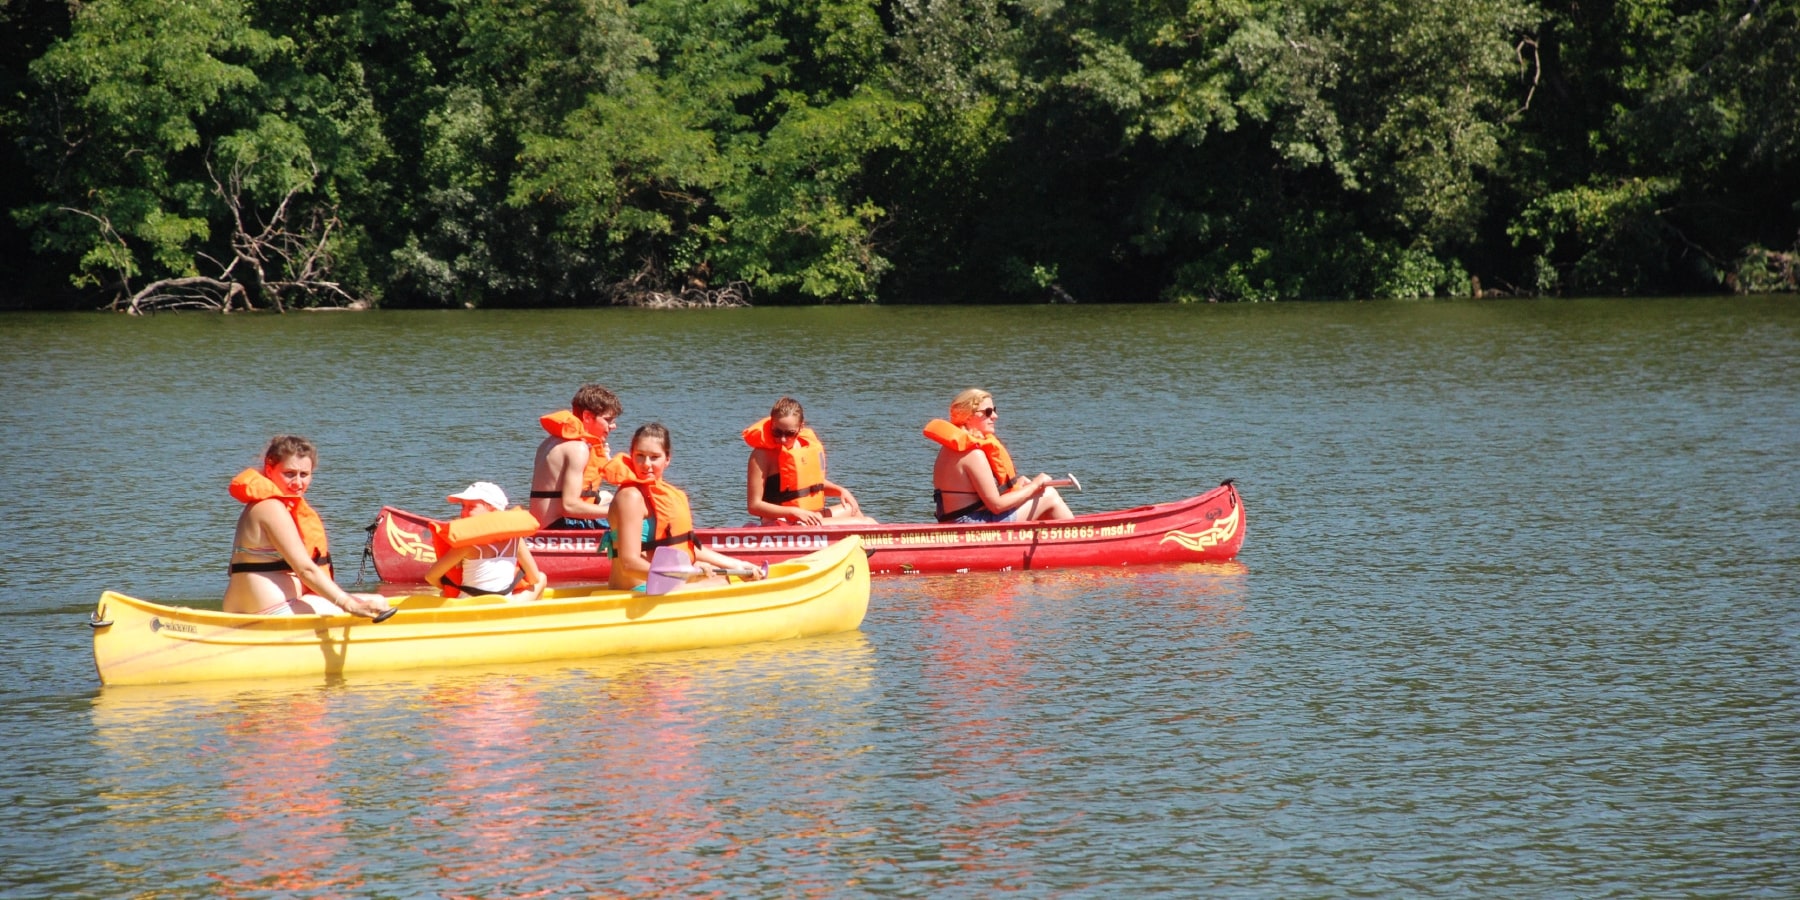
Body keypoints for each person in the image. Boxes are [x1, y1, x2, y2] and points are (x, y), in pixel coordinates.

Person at [224, 435, 395, 618]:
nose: (298, 483)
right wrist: (349, 605)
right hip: (271, 611)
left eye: (304, 475)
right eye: (289, 474)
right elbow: (306, 570)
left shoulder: (257, 507)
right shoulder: (272, 508)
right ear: (269, 468)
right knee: (378, 602)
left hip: (239, 610)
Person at [603, 423, 765, 591]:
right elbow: (629, 564)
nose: (646, 464)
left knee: (721, 576)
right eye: (640, 455)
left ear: (667, 459)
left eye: (654, 457)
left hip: (658, 587)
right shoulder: (630, 497)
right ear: (631, 455)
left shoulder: (660, 495)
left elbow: (682, 545)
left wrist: (738, 565)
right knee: (722, 582)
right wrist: (687, 573)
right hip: (636, 592)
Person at [925, 388, 1074, 523]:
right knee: (1049, 495)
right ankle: (1079, 540)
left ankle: (1049, 546)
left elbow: (978, 499)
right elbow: (996, 505)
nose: (995, 416)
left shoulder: (948, 450)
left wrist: (1018, 488)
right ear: (968, 416)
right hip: (970, 525)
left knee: (1039, 502)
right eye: (988, 412)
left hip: (956, 522)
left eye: (994, 410)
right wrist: (1036, 484)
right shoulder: (973, 454)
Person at [744, 397, 878, 526]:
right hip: (780, 523)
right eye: (777, 432)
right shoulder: (761, 456)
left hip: (803, 518)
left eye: (789, 433)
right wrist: (793, 512)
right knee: (869, 523)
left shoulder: (801, 447)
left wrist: (841, 490)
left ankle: (871, 548)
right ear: (771, 425)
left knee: (852, 510)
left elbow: (811, 485)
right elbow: (754, 506)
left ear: (801, 427)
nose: (783, 439)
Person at [424, 481, 548, 602]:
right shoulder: (515, 540)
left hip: (468, 605)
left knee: (443, 592)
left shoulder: (466, 544)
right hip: (504, 605)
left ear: (493, 510)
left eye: (471, 507)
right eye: (463, 506)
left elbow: (431, 576)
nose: (463, 512)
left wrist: (448, 587)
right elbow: (534, 578)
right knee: (542, 578)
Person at [529, 383, 621, 529]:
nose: (613, 426)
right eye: (608, 420)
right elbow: (570, 506)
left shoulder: (551, 442)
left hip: (543, 523)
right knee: (635, 512)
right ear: (587, 417)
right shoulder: (578, 449)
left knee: (606, 495)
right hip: (560, 527)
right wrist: (618, 512)